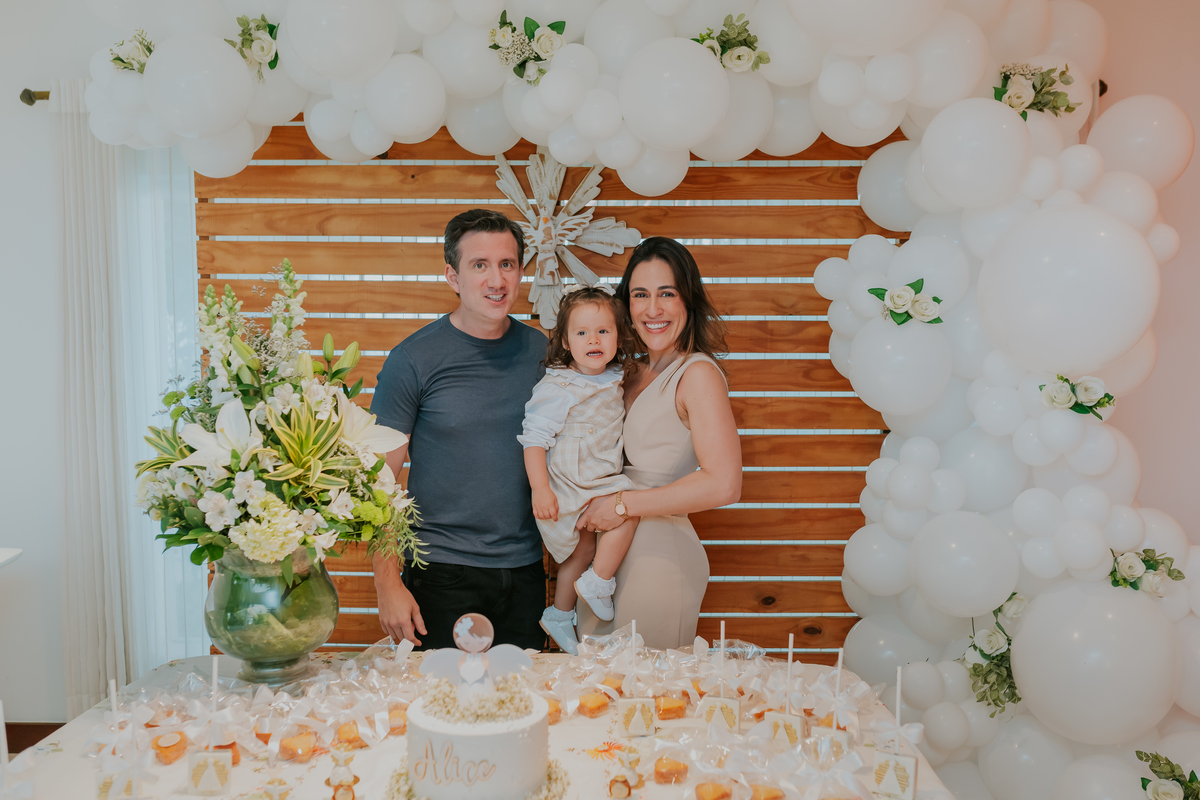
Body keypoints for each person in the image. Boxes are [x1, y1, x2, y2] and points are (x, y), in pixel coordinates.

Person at [370, 209, 547, 650]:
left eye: (507, 264)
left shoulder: (544, 354)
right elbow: (378, 482)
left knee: (521, 692)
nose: (496, 280)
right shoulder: (413, 359)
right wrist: (387, 584)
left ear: (520, 272)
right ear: (453, 276)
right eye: (480, 265)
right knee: (441, 693)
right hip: (440, 573)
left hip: (525, 570)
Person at [575, 237, 742, 650]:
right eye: (640, 295)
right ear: (626, 305)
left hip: (658, 559)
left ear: (688, 299)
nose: (653, 309)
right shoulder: (628, 372)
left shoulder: (697, 374)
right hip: (604, 558)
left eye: (667, 293)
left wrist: (621, 505)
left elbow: (723, 484)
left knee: (646, 686)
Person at [518, 285, 641, 655]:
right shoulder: (559, 386)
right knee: (629, 508)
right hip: (572, 481)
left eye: (603, 331)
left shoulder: (617, 375)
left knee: (583, 549)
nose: (594, 340)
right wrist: (540, 489)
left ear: (619, 337)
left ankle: (559, 613)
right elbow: (534, 439)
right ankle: (598, 581)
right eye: (582, 332)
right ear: (565, 342)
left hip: (596, 475)